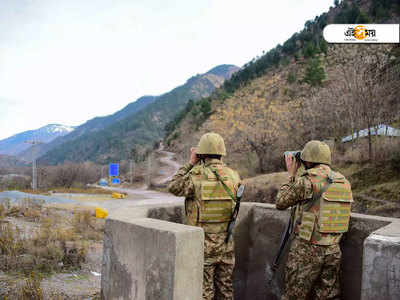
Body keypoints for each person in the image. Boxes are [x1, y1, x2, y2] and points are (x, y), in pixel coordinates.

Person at [276, 140, 353, 300]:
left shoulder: (307, 181)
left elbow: (281, 202)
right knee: (327, 296)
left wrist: (291, 175)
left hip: (307, 250)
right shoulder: (343, 182)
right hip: (333, 250)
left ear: (308, 160)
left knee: (293, 296)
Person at [168, 132, 241, 300]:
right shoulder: (233, 175)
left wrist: (190, 163)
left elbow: (173, 186)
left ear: (201, 153)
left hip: (203, 245)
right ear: (222, 152)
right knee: (226, 290)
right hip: (226, 242)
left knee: (204, 292)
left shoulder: (196, 176)